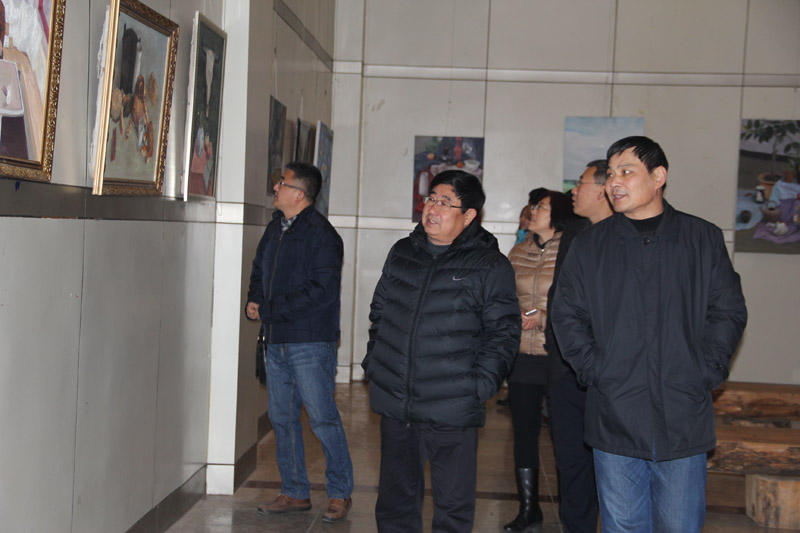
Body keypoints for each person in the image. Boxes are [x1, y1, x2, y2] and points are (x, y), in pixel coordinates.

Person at [552, 137, 747, 532]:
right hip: (615, 414)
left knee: (680, 524)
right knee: (623, 525)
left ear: (659, 177)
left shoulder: (701, 239)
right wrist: (597, 371)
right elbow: (567, 315)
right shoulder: (590, 245)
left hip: (681, 415)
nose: (614, 182)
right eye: (611, 174)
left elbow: (727, 311)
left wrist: (705, 370)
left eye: (626, 172)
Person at [362, 170, 521, 533]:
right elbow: (380, 313)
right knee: (395, 504)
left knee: (452, 507)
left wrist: (479, 386)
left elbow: (503, 332)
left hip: (453, 406)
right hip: (397, 401)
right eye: (431, 199)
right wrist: (376, 362)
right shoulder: (403, 252)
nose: (432, 209)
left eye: (445, 203)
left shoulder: (490, 265)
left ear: (469, 216)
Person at [246, 162, 354, 523]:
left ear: (299, 193)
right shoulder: (275, 227)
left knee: (322, 418)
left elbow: (321, 292)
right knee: (282, 418)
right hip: (276, 339)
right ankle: (293, 491)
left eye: (282, 182)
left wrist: (270, 309)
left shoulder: (322, 235)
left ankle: (339, 492)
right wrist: (254, 299)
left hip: (310, 342)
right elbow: (259, 269)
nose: (276, 187)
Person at [544, 160, 612, 532]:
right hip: (566, 371)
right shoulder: (573, 234)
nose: (573, 190)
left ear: (603, 189)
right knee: (571, 463)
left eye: (581, 183)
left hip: (609, 374)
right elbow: (561, 300)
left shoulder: (625, 236)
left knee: (613, 466)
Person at [503, 190, 573, 533]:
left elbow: (577, 302)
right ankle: (529, 509)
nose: (533, 211)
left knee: (565, 436)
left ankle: (573, 511)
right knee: (524, 434)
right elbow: (505, 295)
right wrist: (512, 316)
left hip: (558, 355)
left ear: (556, 213)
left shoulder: (571, 249)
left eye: (541, 207)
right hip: (522, 355)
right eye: (533, 206)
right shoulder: (519, 251)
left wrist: (543, 317)